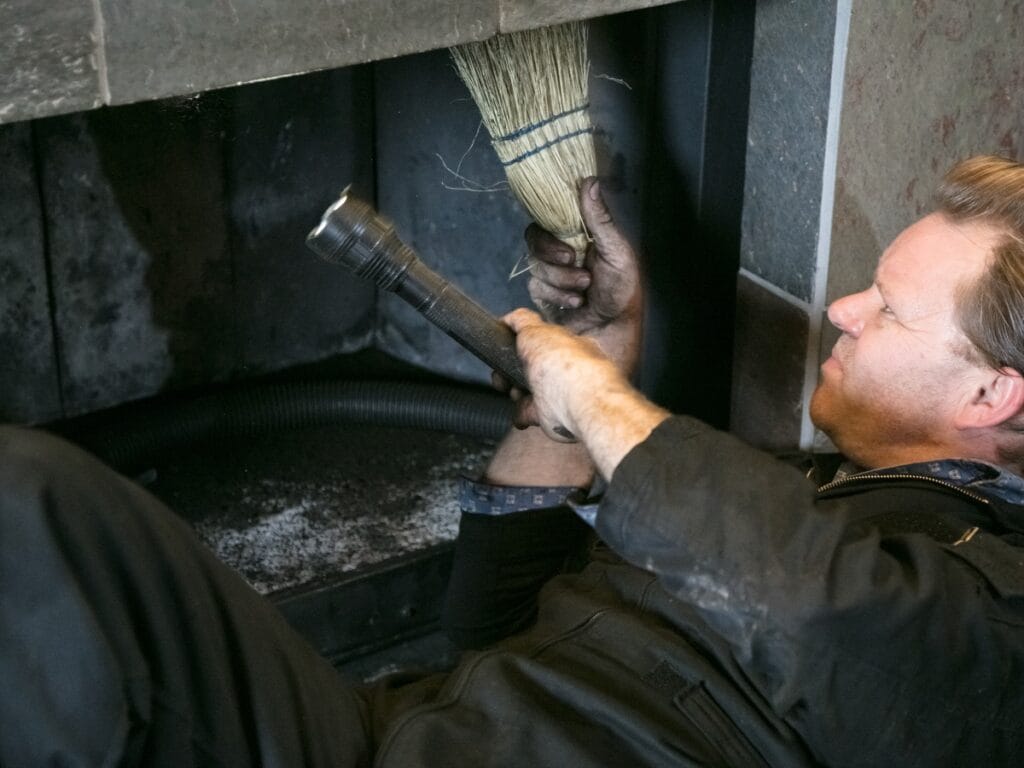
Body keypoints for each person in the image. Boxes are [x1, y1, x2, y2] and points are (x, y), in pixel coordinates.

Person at [2, 155, 1022, 766]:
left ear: (992, 393)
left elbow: (830, 624)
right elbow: (490, 626)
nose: (842, 310)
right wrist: (575, 396)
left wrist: (599, 397)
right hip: (396, 733)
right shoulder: (810, 500)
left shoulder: (994, 592)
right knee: (33, 500)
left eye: (885, 309)